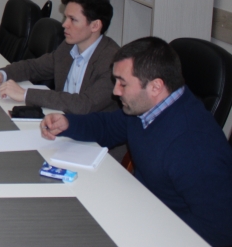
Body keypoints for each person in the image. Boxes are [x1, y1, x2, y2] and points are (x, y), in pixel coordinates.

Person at [41, 37, 232, 247]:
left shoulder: (195, 146)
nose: (116, 91)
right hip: (138, 210)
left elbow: (218, 232)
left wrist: (144, 225)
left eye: (123, 83)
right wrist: (68, 123)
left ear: (156, 86)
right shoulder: (145, 108)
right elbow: (108, 127)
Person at [0, 0, 119, 114]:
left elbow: (84, 104)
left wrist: (25, 94)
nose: (64, 24)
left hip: (90, 128)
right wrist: (2, 74)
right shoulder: (68, 47)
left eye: (73, 20)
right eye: (66, 17)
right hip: (60, 118)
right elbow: (34, 67)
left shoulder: (113, 61)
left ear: (95, 25)